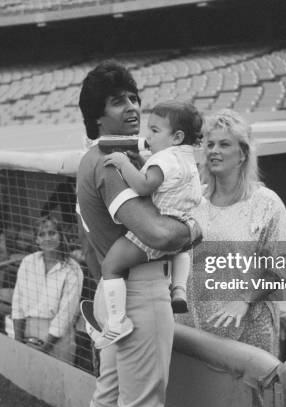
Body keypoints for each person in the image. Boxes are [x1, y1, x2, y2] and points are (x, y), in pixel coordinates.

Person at [76, 61, 200, 407]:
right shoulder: (109, 160)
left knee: (108, 398)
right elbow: (160, 235)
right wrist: (194, 227)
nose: (132, 106)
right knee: (142, 402)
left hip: (113, 288)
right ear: (97, 115)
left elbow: (87, 246)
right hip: (140, 291)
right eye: (118, 101)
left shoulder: (95, 157)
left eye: (133, 97)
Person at [183, 109, 286, 358]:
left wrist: (245, 299)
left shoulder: (266, 202)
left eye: (224, 144)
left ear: (243, 154)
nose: (214, 150)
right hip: (195, 328)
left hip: (250, 331)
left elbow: (285, 265)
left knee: (248, 395)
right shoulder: (193, 200)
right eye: (210, 144)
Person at [98, 100, 202, 348]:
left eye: (155, 131)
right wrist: (142, 160)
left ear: (176, 136)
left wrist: (124, 165)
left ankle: (116, 321)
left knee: (111, 266)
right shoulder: (187, 157)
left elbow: (144, 185)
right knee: (182, 251)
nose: (148, 136)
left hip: (158, 228)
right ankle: (179, 289)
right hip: (185, 226)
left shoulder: (164, 158)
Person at [11, 217, 84, 364]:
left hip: (59, 338)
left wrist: (45, 348)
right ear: (36, 240)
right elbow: (17, 303)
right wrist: (18, 341)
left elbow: (66, 314)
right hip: (28, 330)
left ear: (61, 236)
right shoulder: (28, 262)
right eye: (41, 234)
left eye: (52, 233)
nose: (47, 238)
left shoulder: (72, 269)